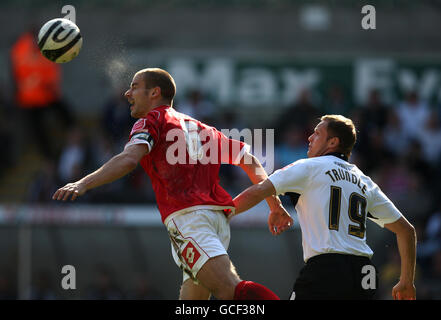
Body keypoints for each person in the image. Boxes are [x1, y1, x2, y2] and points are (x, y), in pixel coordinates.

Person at [52, 68, 293, 300]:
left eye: (134, 87)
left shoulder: (151, 121)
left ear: (154, 92)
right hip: (215, 221)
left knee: (229, 290)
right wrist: (274, 205)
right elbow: (250, 160)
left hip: (189, 219)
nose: (127, 93)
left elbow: (128, 160)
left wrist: (83, 183)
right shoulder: (202, 129)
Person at [232, 115, 417, 300]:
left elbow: (258, 190)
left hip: (327, 267)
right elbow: (407, 231)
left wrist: (223, 213)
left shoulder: (310, 167)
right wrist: (407, 281)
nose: (310, 138)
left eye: (317, 133)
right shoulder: (365, 181)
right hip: (365, 273)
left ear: (333, 142)